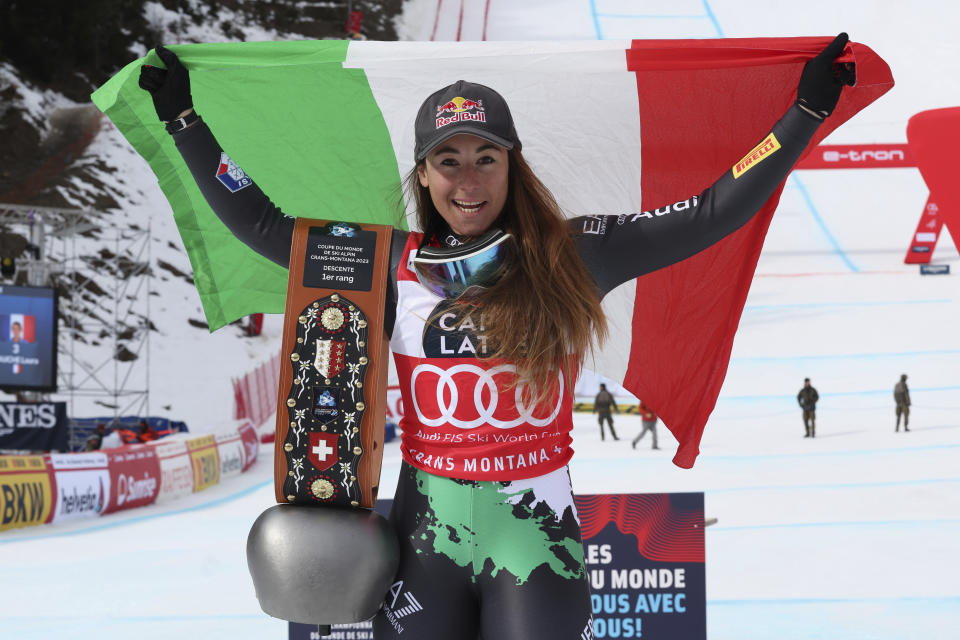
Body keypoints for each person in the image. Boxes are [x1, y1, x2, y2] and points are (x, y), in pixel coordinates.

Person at [138, 34, 853, 639]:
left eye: (487, 157)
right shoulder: (389, 260)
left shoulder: (574, 254)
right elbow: (266, 227)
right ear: (422, 172)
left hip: (533, 545)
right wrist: (184, 122)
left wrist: (807, 112)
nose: (468, 179)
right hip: (425, 542)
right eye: (448, 159)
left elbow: (708, 212)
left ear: (514, 165)